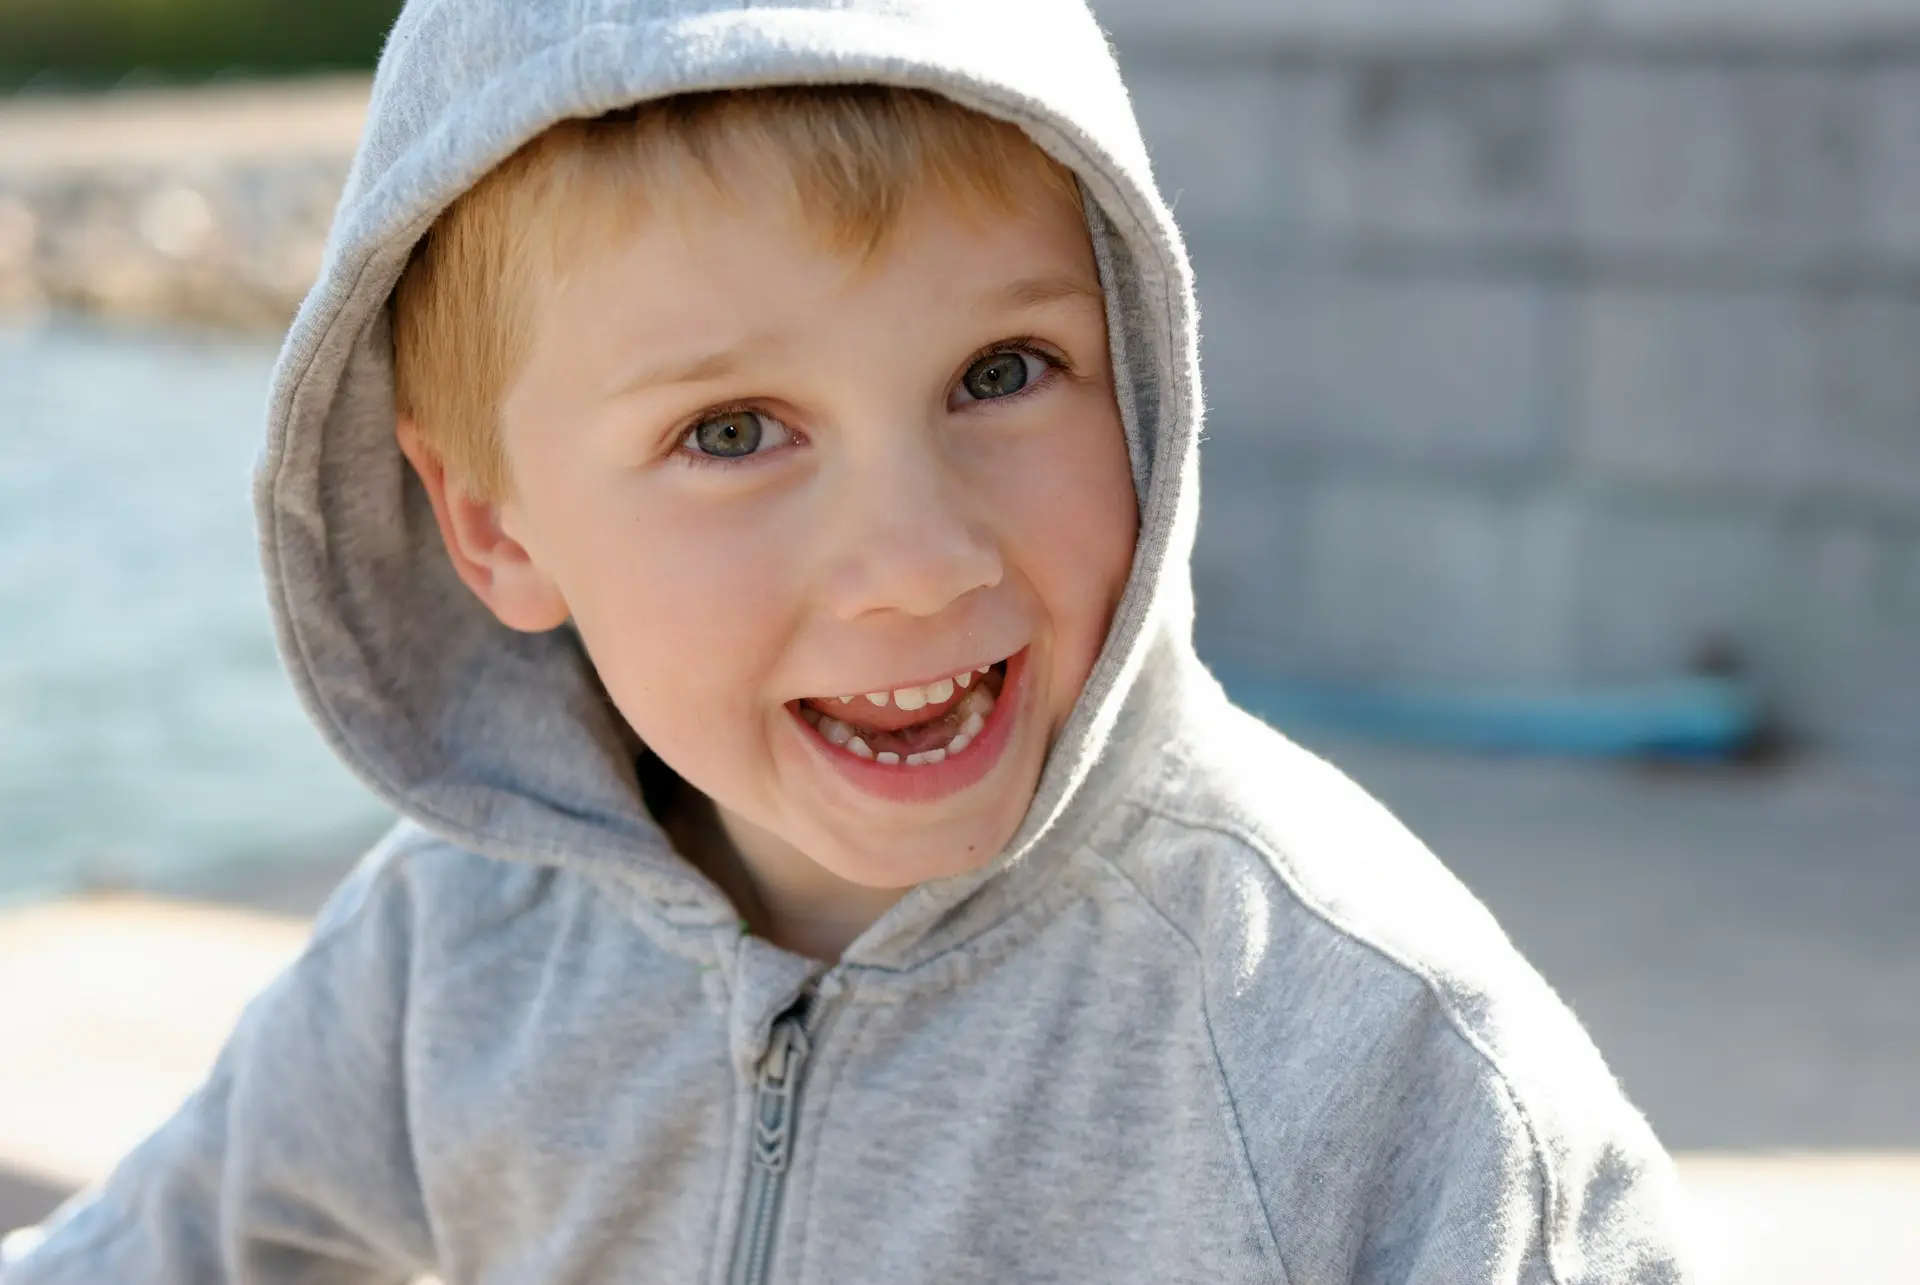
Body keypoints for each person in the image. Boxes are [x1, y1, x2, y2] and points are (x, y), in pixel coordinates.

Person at [2, 0, 1696, 1281]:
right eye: (736, 432)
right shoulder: (457, 950)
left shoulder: (1359, 1041)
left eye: (1004, 373)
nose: (914, 563)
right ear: (496, 526)